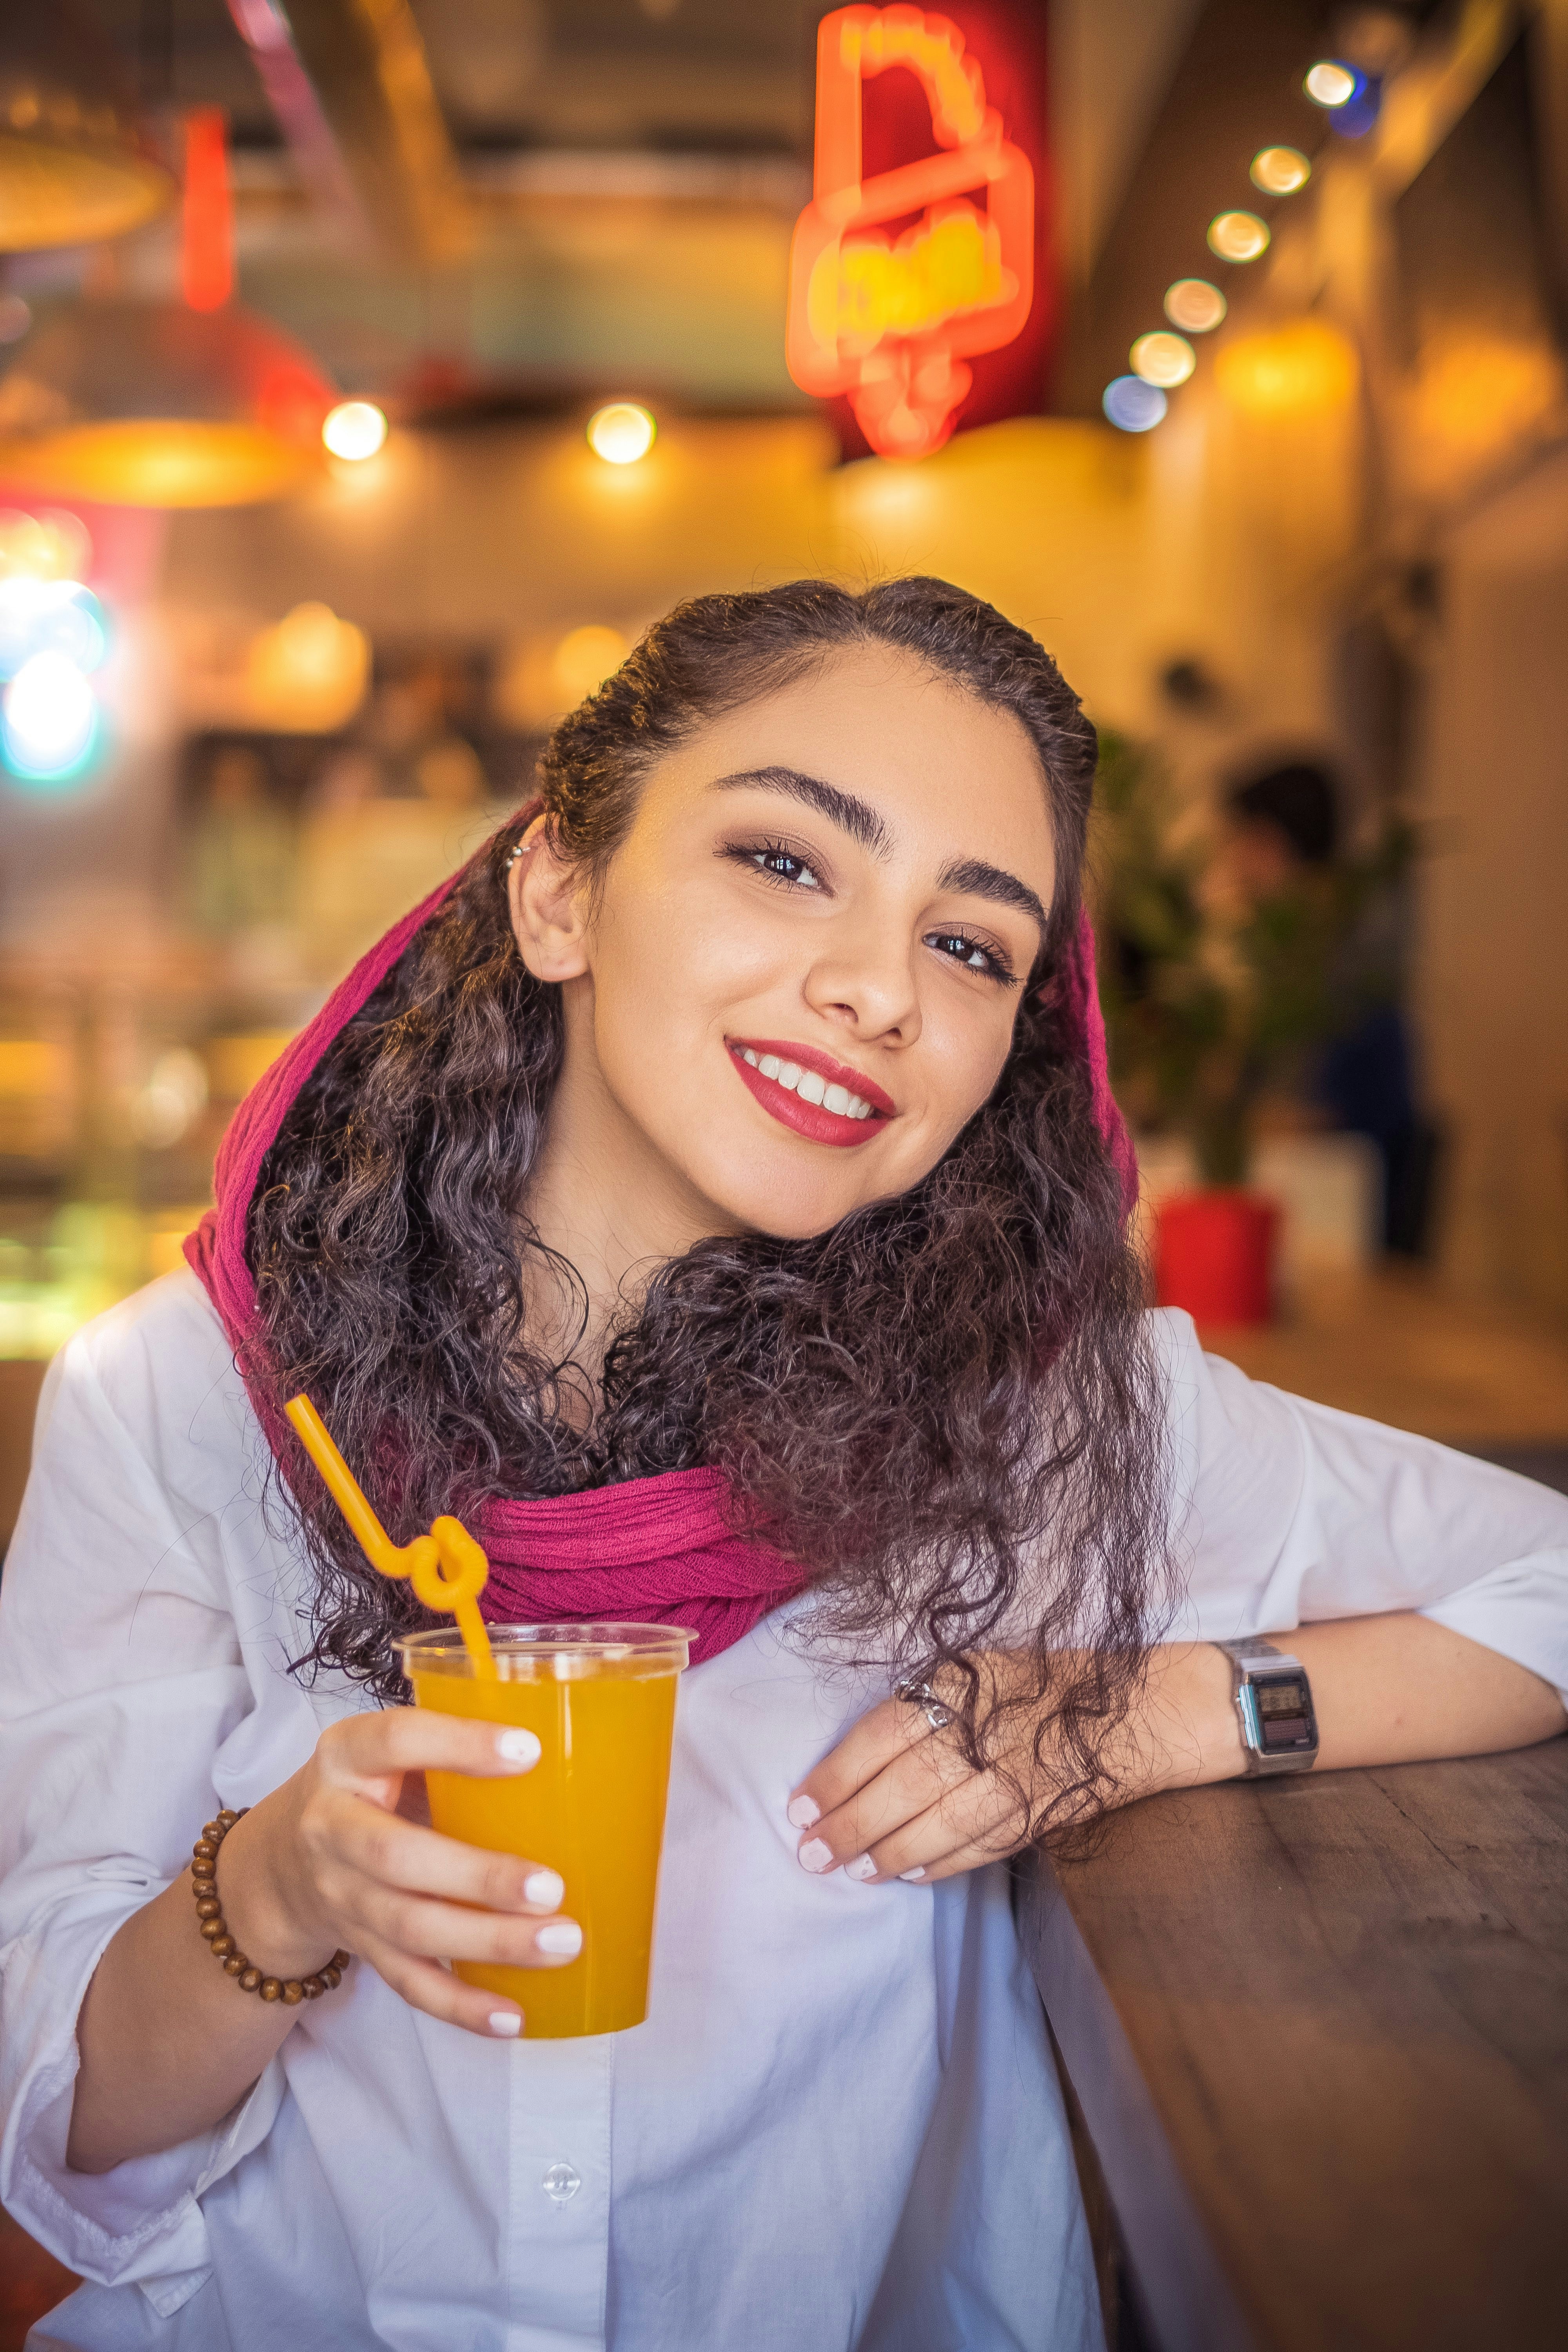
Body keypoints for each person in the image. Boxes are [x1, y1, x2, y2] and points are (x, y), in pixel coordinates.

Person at [0, 580, 1563, 2352]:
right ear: (560, 890)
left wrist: (1152, 1717)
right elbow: (65, 2134)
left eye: (971, 947)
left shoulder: (1046, 1424)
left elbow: (1549, 1586)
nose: (875, 991)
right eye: (786, 861)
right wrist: (274, 1890)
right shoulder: (195, 1403)